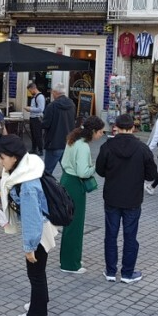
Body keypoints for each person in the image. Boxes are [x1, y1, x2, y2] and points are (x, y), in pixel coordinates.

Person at [0, 135, 57, 316]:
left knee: (35, 273)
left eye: (2, 157)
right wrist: (2, 198)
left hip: (38, 232)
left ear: (14, 157)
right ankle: (40, 304)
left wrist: (29, 248)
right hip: (40, 229)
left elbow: (32, 218)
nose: (0, 161)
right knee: (38, 272)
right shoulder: (24, 170)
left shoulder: (27, 184)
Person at [96, 114, 156, 284]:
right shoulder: (142, 148)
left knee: (111, 235)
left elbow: (100, 170)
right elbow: (152, 174)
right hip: (133, 198)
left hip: (112, 197)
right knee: (130, 237)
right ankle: (127, 273)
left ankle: (110, 271)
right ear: (133, 128)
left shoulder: (107, 146)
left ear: (116, 126)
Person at [59, 116, 105, 273]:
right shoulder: (83, 146)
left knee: (69, 223)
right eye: (100, 132)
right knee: (76, 224)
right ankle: (71, 264)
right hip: (75, 185)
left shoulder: (73, 139)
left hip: (67, 179)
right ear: (93, 131)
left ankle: (69, 258)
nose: (101, 135)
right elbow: (83, 172)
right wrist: (94, 167)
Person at [42, 83, 76, 176]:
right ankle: (67, 185)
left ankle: (47, 185)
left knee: (47, 172)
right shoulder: (72, 104)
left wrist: (40, 121)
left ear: (55, 92)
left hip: (54, 142)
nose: (52, 94)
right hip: (68, 142)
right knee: (68, 171)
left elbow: (46, 124)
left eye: (53, 92)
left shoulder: (52, 106)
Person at [25, 82, 46, 155]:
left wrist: (30, 109)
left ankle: (40, 150)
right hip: (33, 117)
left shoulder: (40, 97)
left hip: (37, 118)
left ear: (33, 88)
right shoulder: (34, 97)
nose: (30, 92)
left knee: (38, 135)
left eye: (30, 90)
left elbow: (41, 109)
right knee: (33, 134)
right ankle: (34, 148)